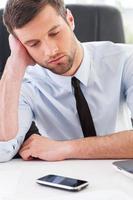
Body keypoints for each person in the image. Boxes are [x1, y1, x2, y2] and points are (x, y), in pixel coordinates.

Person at [0, 0, 133, 163]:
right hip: (61, 182)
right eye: (33, 44)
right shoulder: (26, 84)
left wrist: (64, 148)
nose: (51, 51)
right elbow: (3, 150)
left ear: (70, 19)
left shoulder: (125, 59)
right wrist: (13, 65)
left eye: (54, 33)